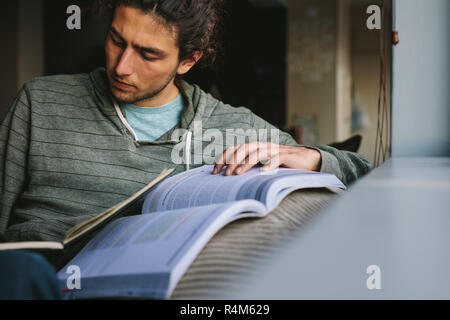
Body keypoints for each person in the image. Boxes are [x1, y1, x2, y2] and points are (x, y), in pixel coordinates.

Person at [0, 0, 372, 297]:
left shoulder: (234, 127)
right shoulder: (42, 101)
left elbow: (368, 175)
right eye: (116, 40)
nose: (122, 66)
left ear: (187, 61)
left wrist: (316, 157)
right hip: (31, 276)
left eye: (147, 55)